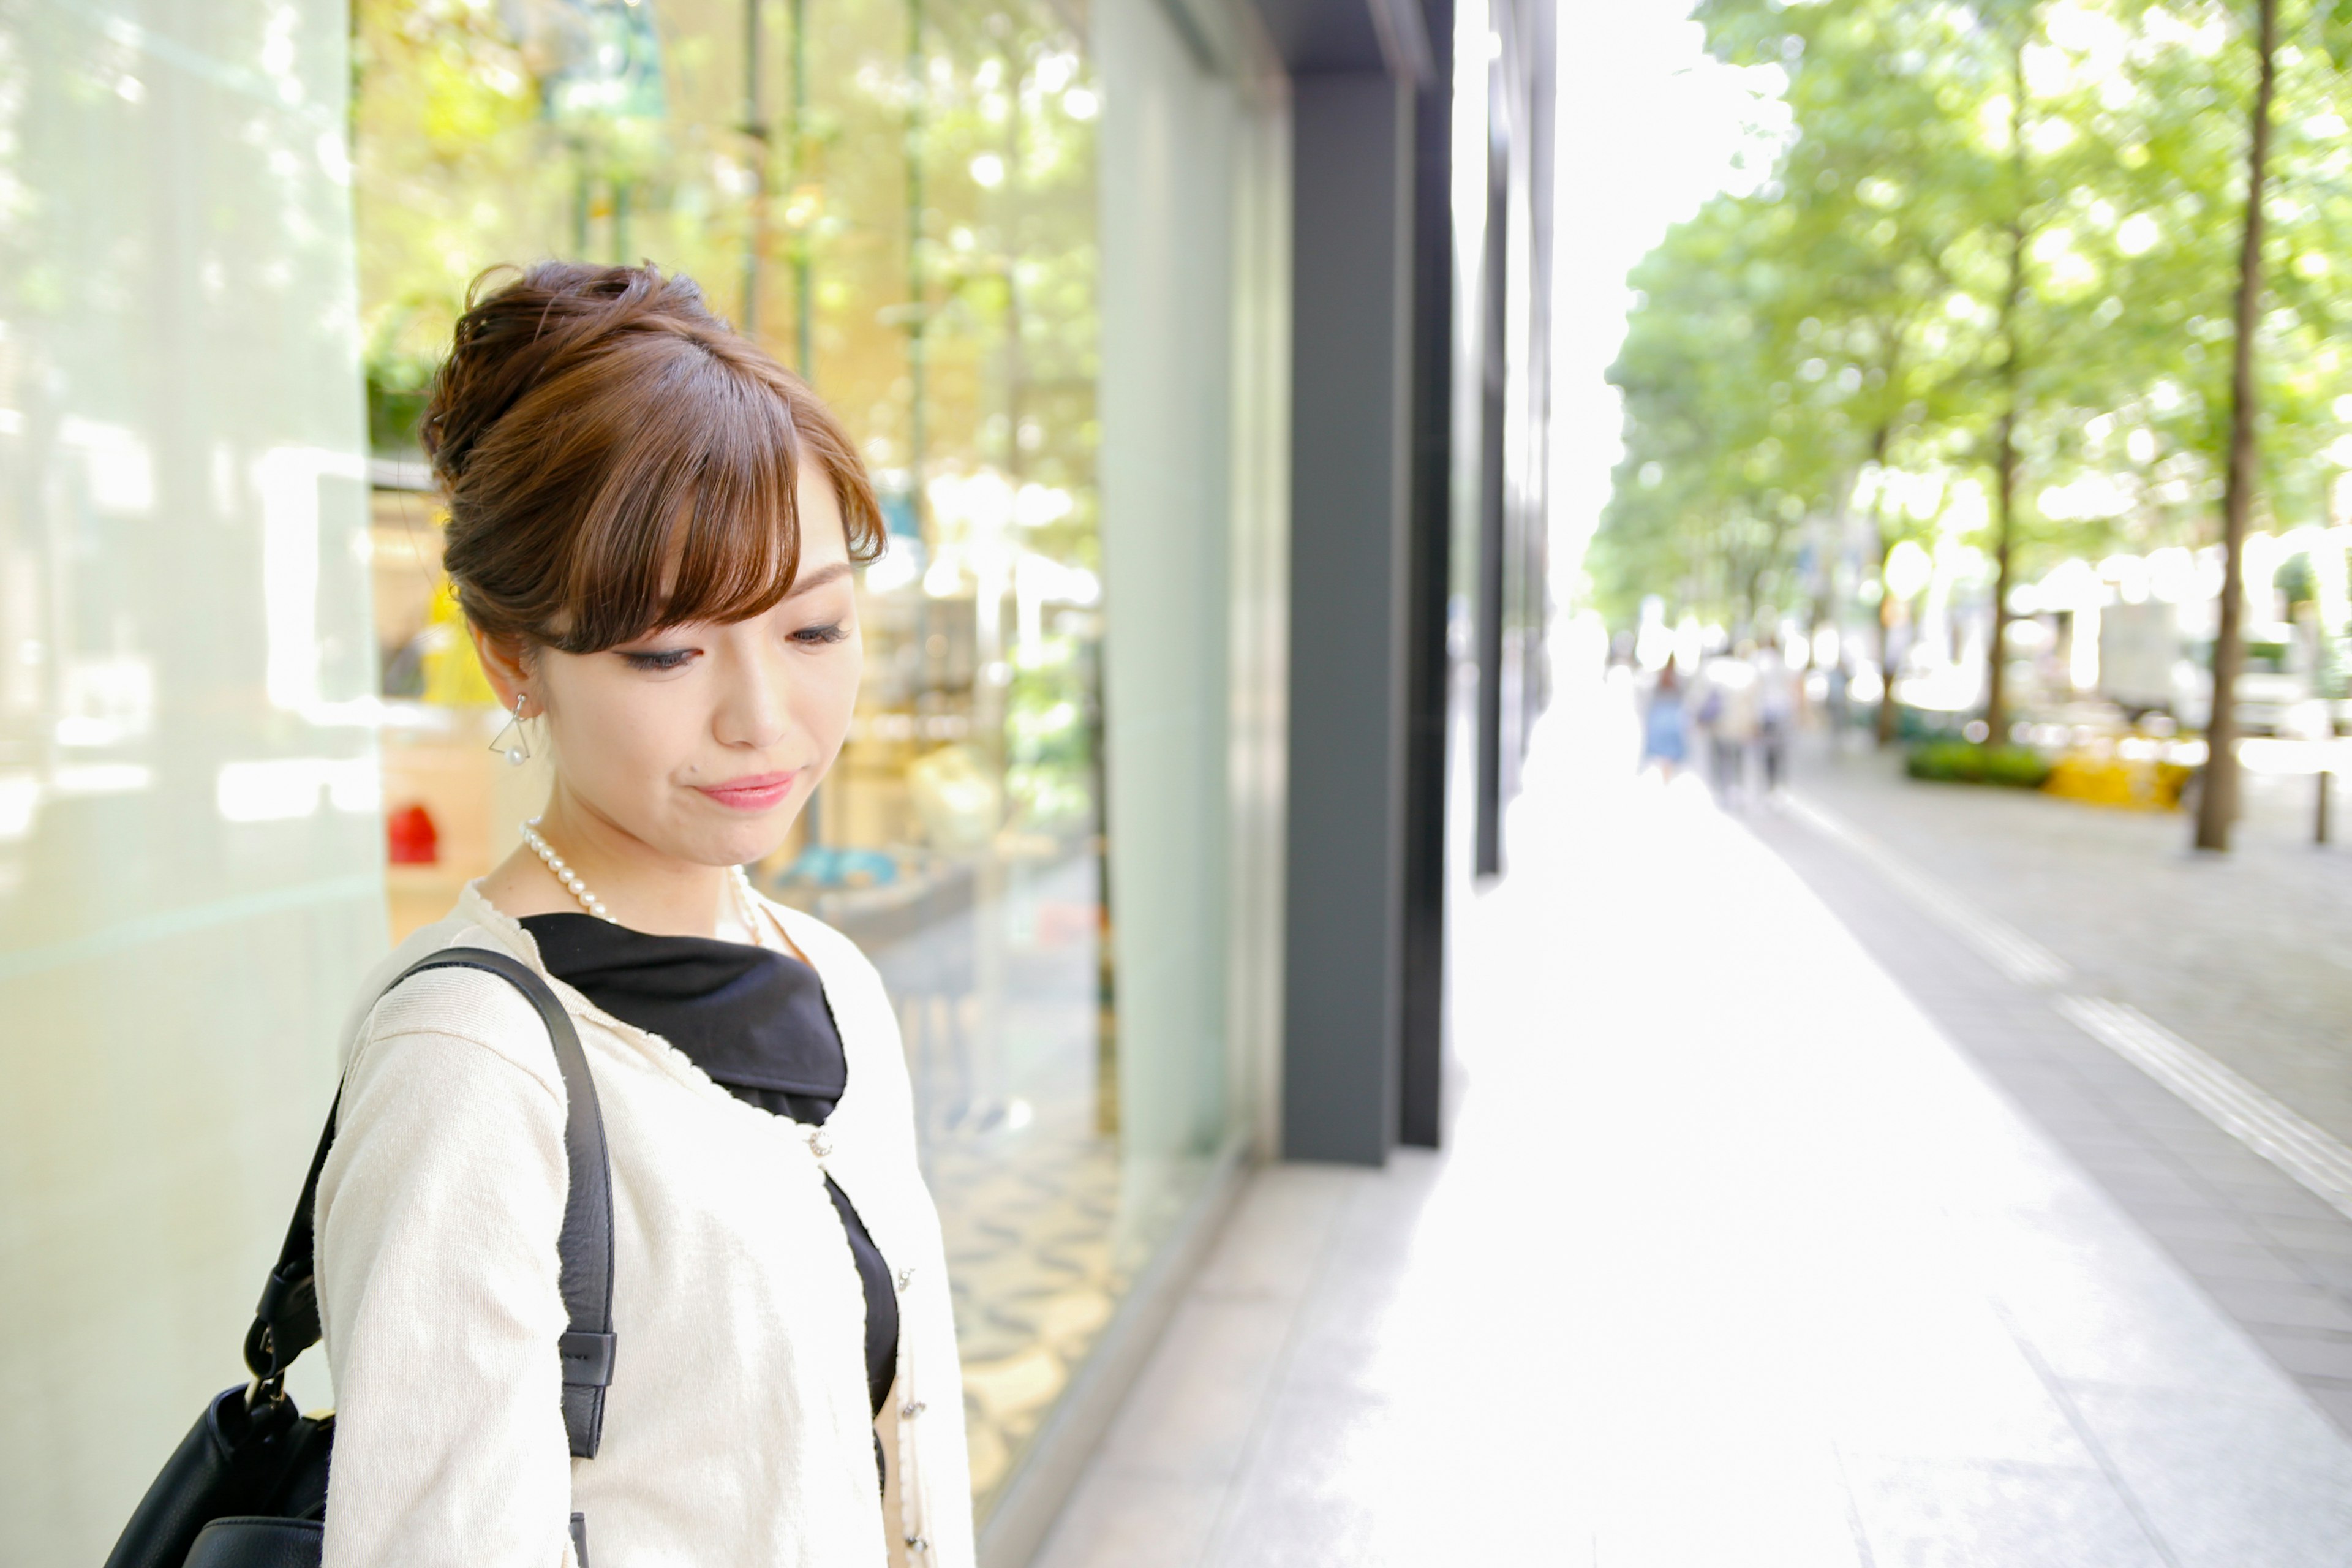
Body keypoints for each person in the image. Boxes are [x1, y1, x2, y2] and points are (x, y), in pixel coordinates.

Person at [314, 263, 973, 1567]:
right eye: (668, 651)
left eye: (813, 630)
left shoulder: (827, 973)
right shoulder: (469, 1066)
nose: (761, 718)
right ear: (515, 659)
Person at [1641, 661, 1689, 778]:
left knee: (1668, 754)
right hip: (1666, 720)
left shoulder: (1673, 681)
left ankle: (1667, 775)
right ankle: (1666, 775)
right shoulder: (1671, 681)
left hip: (1667, 720)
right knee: (1666, 754)